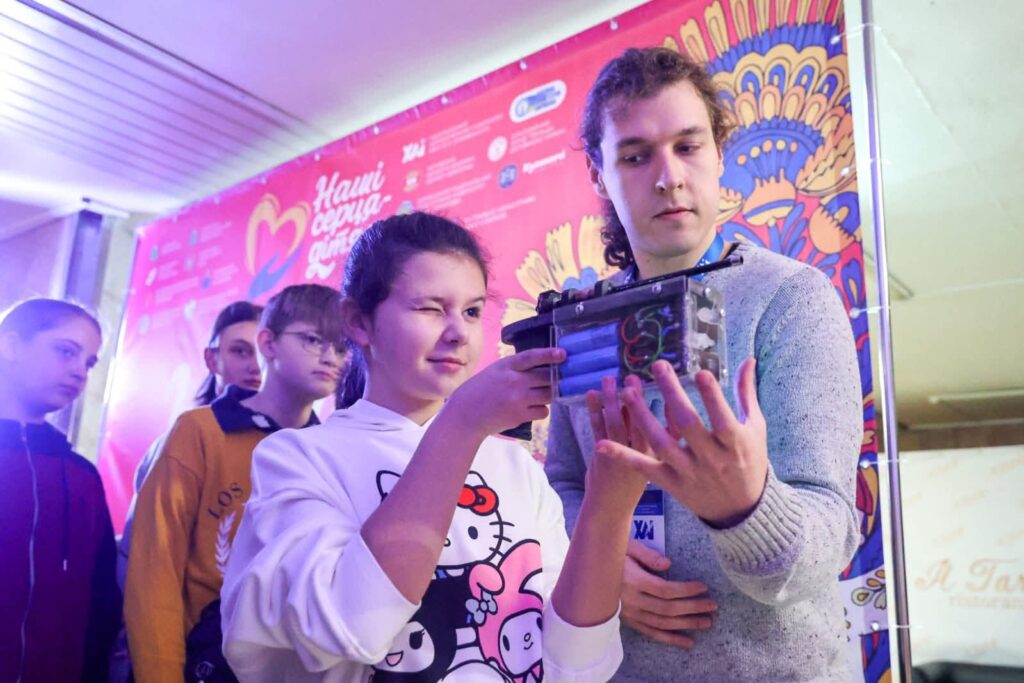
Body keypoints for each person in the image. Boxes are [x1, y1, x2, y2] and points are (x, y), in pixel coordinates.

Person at [544, 47, 863, 681]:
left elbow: (830, 535)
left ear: (718, 153)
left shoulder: (790, 297)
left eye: (688, 147)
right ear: (599, 175)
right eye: (635, 156)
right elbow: (563, 485)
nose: (668, 177)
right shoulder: (583, 319)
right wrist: (597, 559)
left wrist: (745, 509)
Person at [220, 212, 645, 682]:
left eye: (472, 311)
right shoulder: (297, 459)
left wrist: (608, 505)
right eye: (429, 308)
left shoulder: (514, 465)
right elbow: (351, 626)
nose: (458, 332)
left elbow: (577, 667)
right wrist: (461, 422)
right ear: (358, 321)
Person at [125, 285, 345, 683]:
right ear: (269, 342)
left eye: (342, 346)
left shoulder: (330, 451)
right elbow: (154, 571)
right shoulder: (201, 431)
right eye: (314, 339)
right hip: (199, 659)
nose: (330, 356)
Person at [111, 301, 263, 682]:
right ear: (213, 359)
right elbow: (144, 571)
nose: (256, 365)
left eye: (263, 350)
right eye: (240, 351)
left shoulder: (304, 445)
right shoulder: (187, 438)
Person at [0, 298, 120, 682]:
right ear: (11, 345)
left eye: (89, 362)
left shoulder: (82, 477)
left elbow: (101, 600)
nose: (79, 371)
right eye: (66, 351)